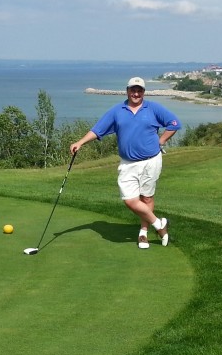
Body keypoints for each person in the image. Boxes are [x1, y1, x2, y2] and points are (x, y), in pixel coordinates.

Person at [70, 77, 181, 249]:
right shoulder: (117, 110)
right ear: (127, 90)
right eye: (133, 90)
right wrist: (80, 142)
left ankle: (143, 233)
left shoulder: (153, 108)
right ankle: (159, 224)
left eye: (139, 90)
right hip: (128, 163)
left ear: (143, 92)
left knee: (147, 197)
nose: (136, 93)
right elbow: (97, 130)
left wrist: (161, 141)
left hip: (151, 160)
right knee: (130, 200)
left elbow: (174, 124)